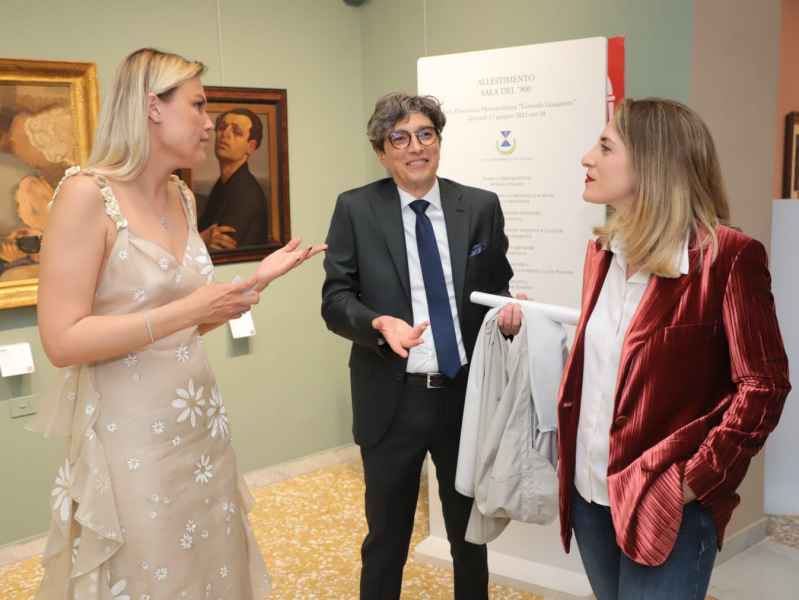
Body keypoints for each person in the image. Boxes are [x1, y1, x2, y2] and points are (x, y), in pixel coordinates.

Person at [33, 48, 323, 600]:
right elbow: (62, 340)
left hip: (198, 420)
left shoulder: (183, 196)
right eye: (199, 105)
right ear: (152, 108)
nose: (210, 123)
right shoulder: (85, 195)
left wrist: (247, 288)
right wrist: (191, 309)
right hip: (130, 434)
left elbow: (179, 325)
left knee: (209, 559)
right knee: (152, 566)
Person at [556, 97, 791, 600]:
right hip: (589, 495)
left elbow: (764, 385)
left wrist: (696, 480)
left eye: (605, 147)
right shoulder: (601, 253)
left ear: (653, 162)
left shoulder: (728, 257)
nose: (587, 157)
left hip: (667, 502)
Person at [322, 92, 523, 600]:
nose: (416, 147)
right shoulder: (356, 209)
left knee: (469, 538)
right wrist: (377, 324)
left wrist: (508, 317)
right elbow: (335, 299)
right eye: (400, 138)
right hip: (391, 396)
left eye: (425, 134)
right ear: (381, 152)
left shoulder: (479, 206)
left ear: (438, 141)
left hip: (463, 395)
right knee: (386, 540)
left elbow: (497, 289)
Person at [199, 108, 270, 250]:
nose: (225, 134)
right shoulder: (223, 184)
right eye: (222, 128)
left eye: (236, 132)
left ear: (251, 147)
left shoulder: (247, 194)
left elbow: (222, 249)